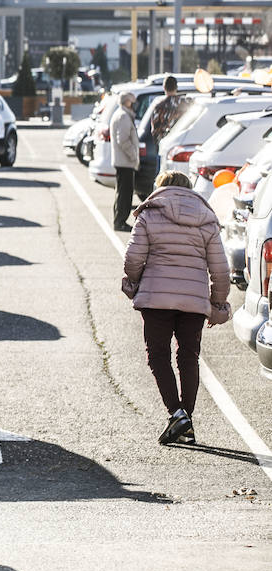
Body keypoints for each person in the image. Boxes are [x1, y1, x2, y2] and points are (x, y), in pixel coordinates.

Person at [122, 171, 231, 445]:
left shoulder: (149, 213)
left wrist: (134, 283)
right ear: (189, 189)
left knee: (158, 355)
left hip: (156, 299)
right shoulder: (206, 219)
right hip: (194, 299)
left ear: (160, 188)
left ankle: (176, 413)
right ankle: (186, 421)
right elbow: (220, 269)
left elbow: (133, 257)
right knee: (189, 356)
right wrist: (218, 303)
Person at [110, 91, 139, 232]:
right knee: (124, 194)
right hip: (125, 162)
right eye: (132, 101)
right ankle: (120, 221)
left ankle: (119, 220)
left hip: (123, 161)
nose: (134, 104)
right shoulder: (123, 116)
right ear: (127, 102)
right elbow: (123, 139)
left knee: (122, 192)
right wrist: (133, 156)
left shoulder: (122, 115)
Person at [149, 75, 190, 143]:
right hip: (182, 142)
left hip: (165, 144)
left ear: (164, 88)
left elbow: (154, 130)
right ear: (176, 87)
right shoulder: (186, 104)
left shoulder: (159, 107)